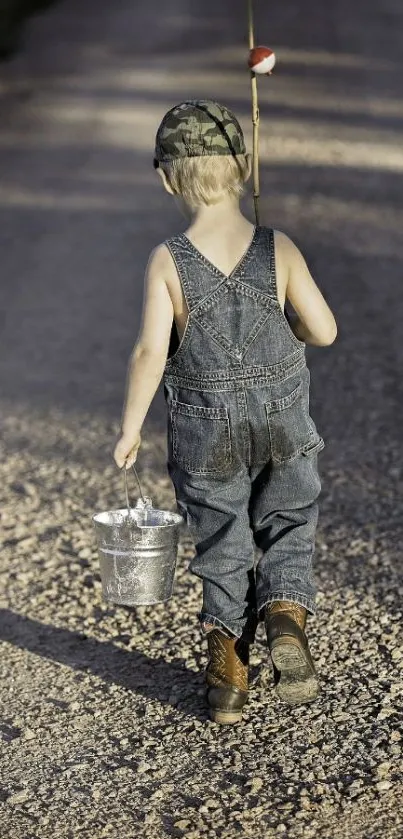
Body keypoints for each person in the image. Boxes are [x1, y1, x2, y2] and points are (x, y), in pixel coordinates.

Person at [114, 100, 337, 724]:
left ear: (166, 178)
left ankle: (228, 678)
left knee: (221, 538)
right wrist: (281, 323)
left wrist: (131, 427)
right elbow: (324, 331)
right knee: (290, 517)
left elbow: (150, 351)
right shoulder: (279, 246)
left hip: (204, 428)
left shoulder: (167, 258)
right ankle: (286, 616)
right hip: (283, 422)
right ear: (245, 166)